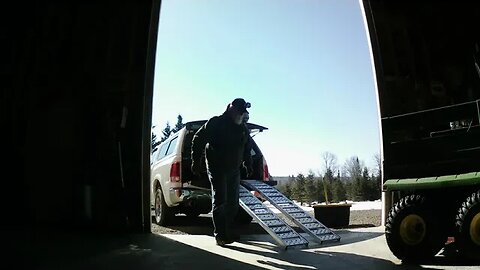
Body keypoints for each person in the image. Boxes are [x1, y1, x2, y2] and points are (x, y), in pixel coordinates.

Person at [191, 98, 253, 246]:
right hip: (216, 167)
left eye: (242, 112)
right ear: (230, 109)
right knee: (221, 200)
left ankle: (228, 231)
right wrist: (196, 161)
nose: (240, 115)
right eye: (238, 111)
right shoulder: (216, 122)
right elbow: (198, 139)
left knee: (233, 203)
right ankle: (220, 234)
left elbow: (246, 147)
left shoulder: (242, 128)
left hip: (234, 169)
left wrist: (248, 164)